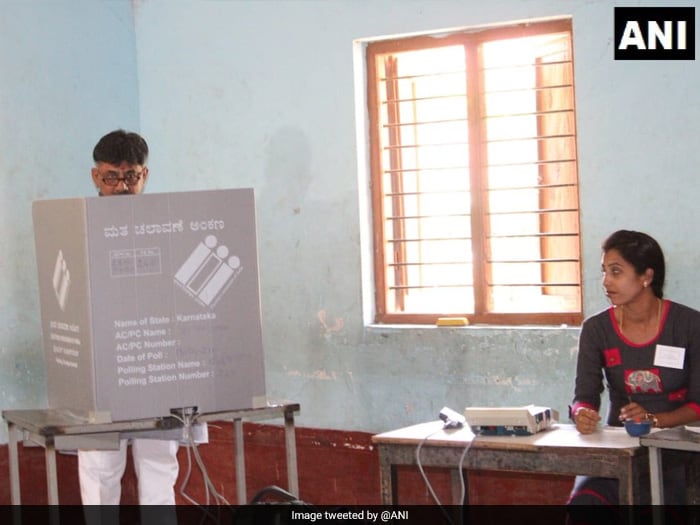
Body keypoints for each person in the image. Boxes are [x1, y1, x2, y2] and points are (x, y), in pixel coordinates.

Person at [79, 129, 180, 505]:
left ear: (145, 175)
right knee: (101, 468)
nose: (121, 187)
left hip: (156, 363)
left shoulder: (169, 226)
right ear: (95, 176)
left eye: (131, 177)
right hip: (101, 367)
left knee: (158, 465)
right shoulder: (77, 227)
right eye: (111, 177)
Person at [568, 229, 700, 506]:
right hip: (619, 450)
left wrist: (653, 420)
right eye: (603, 271)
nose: (605, 281)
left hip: (678, 450)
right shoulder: (596, 329)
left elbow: (698, 405)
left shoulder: (689, 325)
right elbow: (584, 396)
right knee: (586, 503)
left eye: (616, 272)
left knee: (660, 504)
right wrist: (583, 414)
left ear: (646, 277)